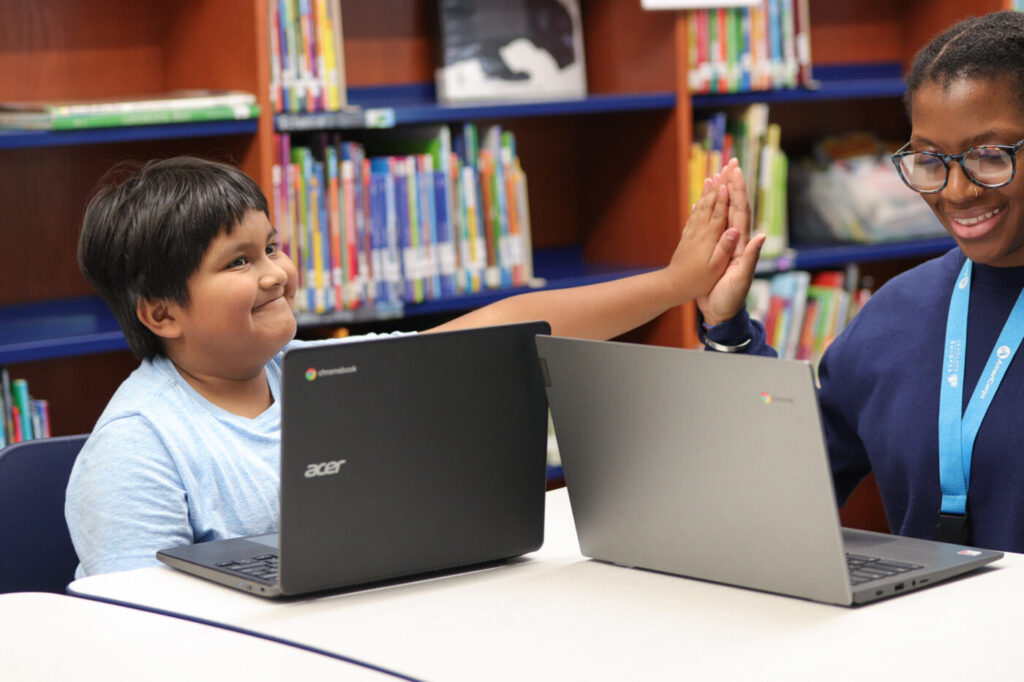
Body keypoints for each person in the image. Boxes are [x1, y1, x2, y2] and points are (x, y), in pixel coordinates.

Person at [66, 155, 767, 576]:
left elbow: (501, 330)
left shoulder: (317, 377)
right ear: (162, 314)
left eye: (272, 245)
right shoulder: (138, 445)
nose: (277, 272)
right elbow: (135, 632)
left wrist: (677, 286)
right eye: (239, 262)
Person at [713, 11, 1024, 553]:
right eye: (930, 160)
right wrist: (728, 328)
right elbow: (793, 481)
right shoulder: (897, 313)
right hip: (922, 631)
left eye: (989, 156)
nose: (956, 191)